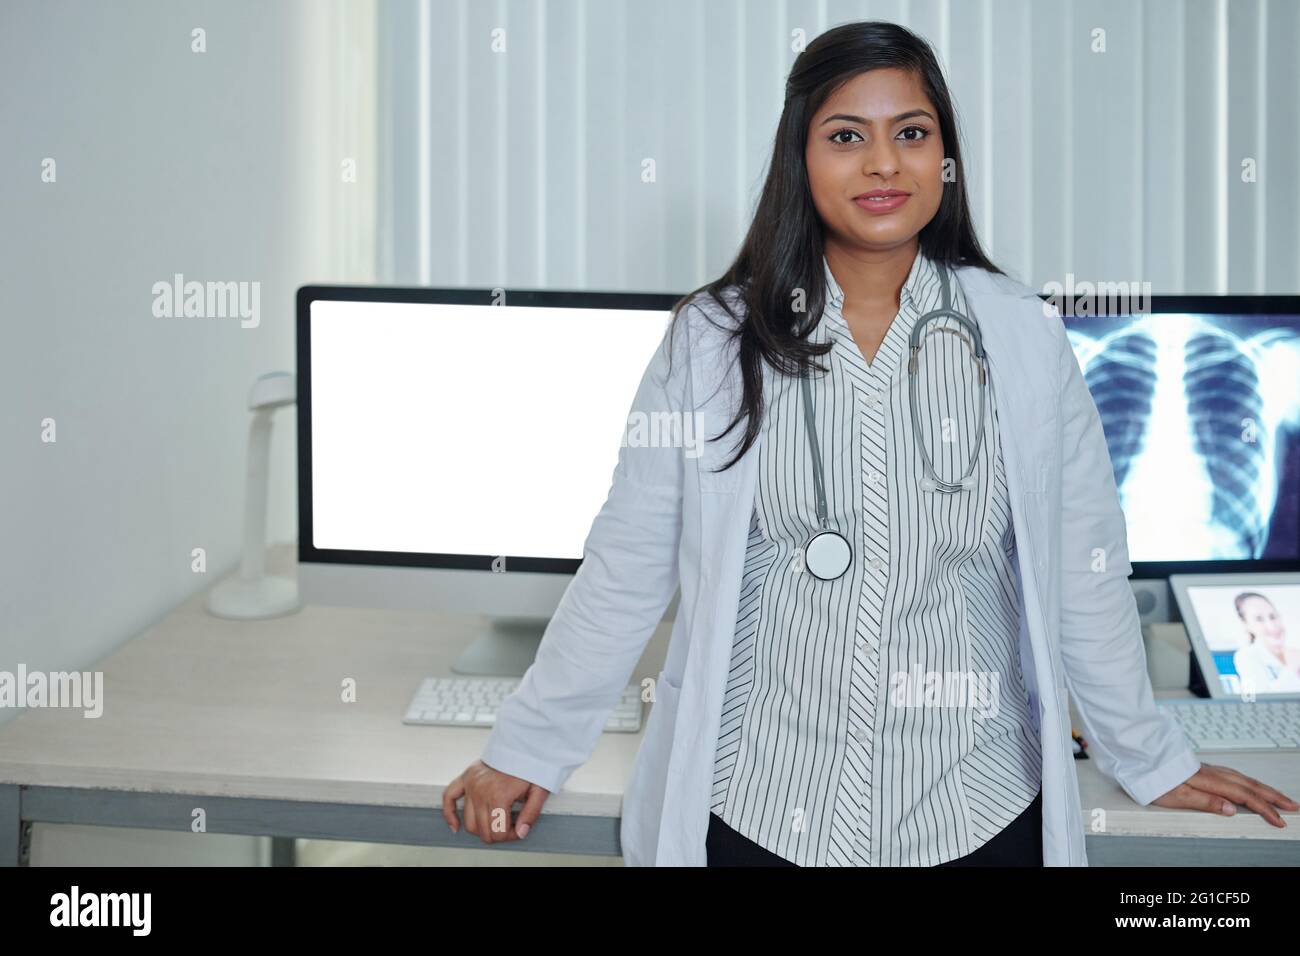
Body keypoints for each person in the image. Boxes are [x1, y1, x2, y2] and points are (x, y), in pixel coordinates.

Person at [442, 20, 1298, 865]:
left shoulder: (1021, 336)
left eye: (913, 134)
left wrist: (1148, 755)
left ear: (945, 160)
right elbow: (627, 565)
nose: (884, 163)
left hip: (974, 810)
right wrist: (528, 746)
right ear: (800, 158)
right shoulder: (710, 341)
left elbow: (1085, 569)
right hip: (757, 806)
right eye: (847, 136)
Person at [1231, 592, 1300, 696]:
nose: (1272, 626)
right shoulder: (1245, 657)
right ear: (1247, 625)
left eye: (1273, 616)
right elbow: (1258, 702)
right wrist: (1291, 669)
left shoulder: (1295, 652)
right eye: (1259, 619)